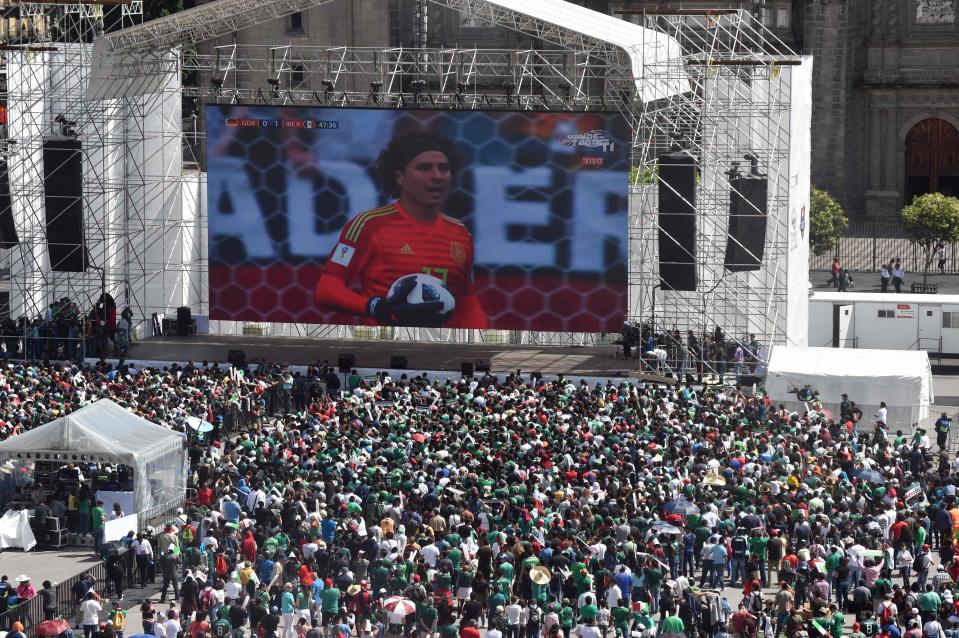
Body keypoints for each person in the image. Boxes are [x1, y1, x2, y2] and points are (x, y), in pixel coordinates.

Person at [314, 132, 489, 329]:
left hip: (435, 353)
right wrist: (375, 307)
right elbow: (327, 288)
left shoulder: (460, 234)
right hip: (380, 352)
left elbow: (468, 303)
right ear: (400, 177)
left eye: (444, 168)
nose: (437, 176)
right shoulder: (369, 224)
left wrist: (484, 348)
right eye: (424, 168)